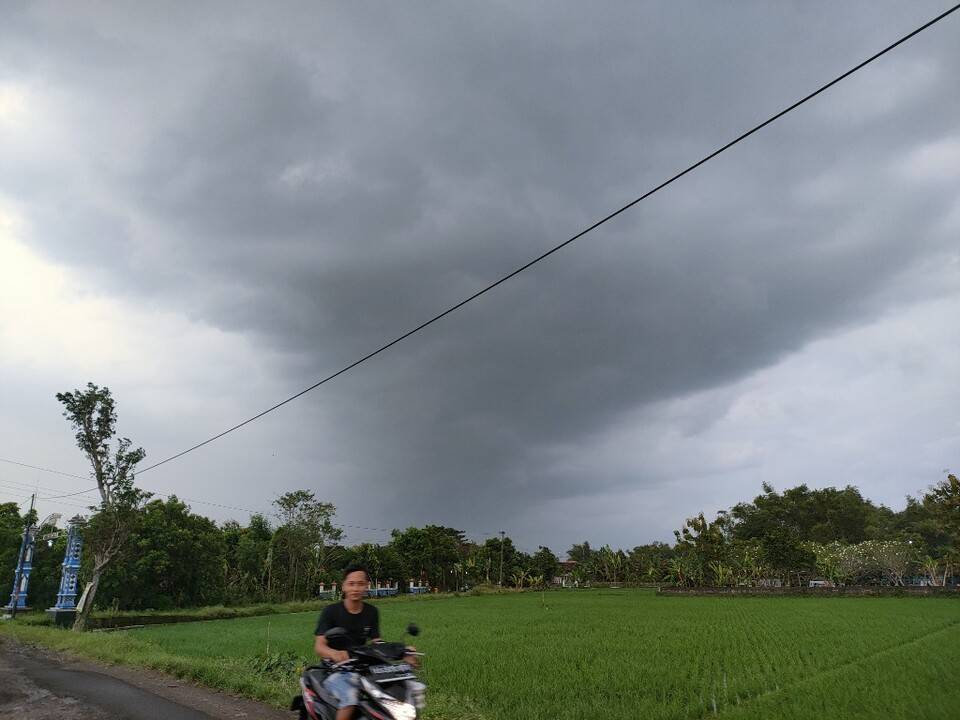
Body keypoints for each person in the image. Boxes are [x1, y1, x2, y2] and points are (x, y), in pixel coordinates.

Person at [314, 564, 381, 720]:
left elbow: (377, 642)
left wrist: (402, 651)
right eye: (351, 584)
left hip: (361, 668)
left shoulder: (372, 612)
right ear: (344, 586)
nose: (355, 588)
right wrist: (334, 653)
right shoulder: (330, 612)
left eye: (360, 584)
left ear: (366, 586)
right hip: (334, 670)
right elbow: (319, 646)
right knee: (350, 699)